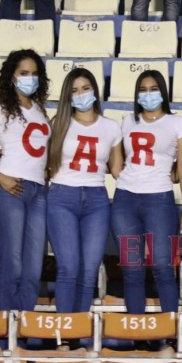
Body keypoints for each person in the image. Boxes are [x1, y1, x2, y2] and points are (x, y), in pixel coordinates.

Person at [0, 49, 51, 316]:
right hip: (9, 191)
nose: (30, 78)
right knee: (13, 267)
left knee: (32, 270)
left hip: (39, 192)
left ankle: (23, 336)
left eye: (34, 74)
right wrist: (1, 178)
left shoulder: (40, 110)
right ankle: (0, 337)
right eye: (24, 73)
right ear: (11, 77)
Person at [111, 70, 182, 316]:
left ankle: (170, 333)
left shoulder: (178, 123)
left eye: (154, 89)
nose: (148, 95)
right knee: (132, 269)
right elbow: (116, 161)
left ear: (163, 92)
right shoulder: (127, 121)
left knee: (162, 267)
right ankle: (139, 333)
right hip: (125, 197)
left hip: (159, 198)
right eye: (143, 90)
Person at [46, 68, 123, 331]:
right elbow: (39, 159)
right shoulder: (58, 123)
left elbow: (118, 169)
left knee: (89, 270)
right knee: (69, 267)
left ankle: (78, 333)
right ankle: (65, 337)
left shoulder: (111, 127)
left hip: (97, 199)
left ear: (95, 90)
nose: (81, 95)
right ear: (68, 96)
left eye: (85, 88)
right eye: (74, 91)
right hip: (62, 197)